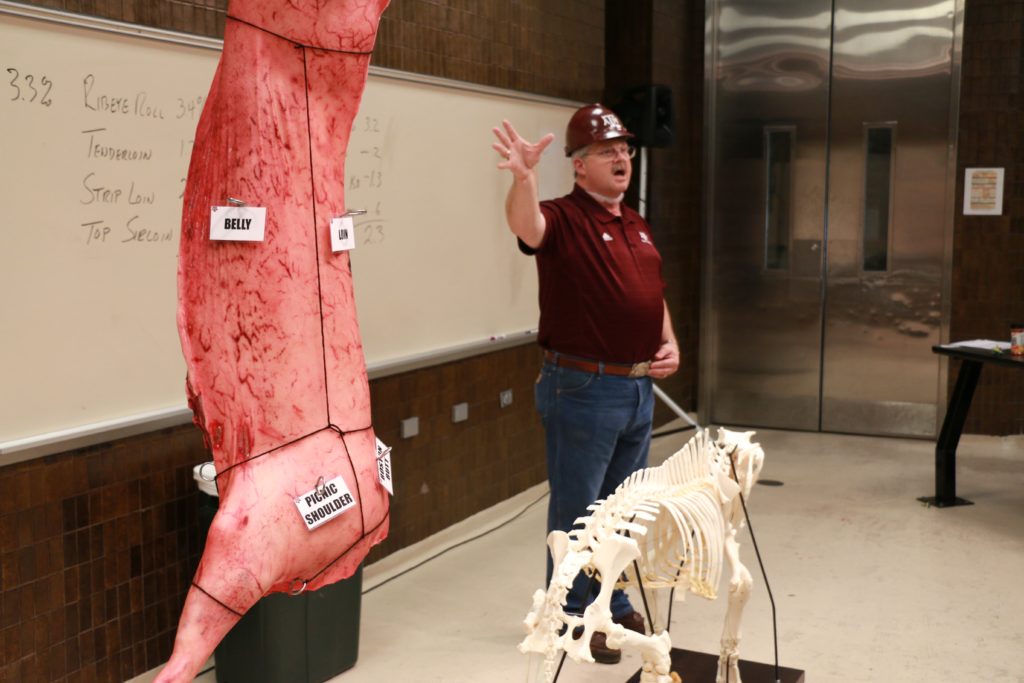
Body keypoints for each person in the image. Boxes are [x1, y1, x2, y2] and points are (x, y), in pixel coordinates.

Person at [492, 104, 679, 664]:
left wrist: (668, 341)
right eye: (607, 151)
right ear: (578, 166)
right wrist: (523, 179)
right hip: (582, 388)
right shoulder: (564, 217)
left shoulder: (635, 222)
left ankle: (613, 605)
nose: (621, 158)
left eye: (625, 149)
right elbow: (526, 228)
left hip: (637, 389)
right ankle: (572, 615)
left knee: (623, 510)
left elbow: (651, 291)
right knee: (580, 512)